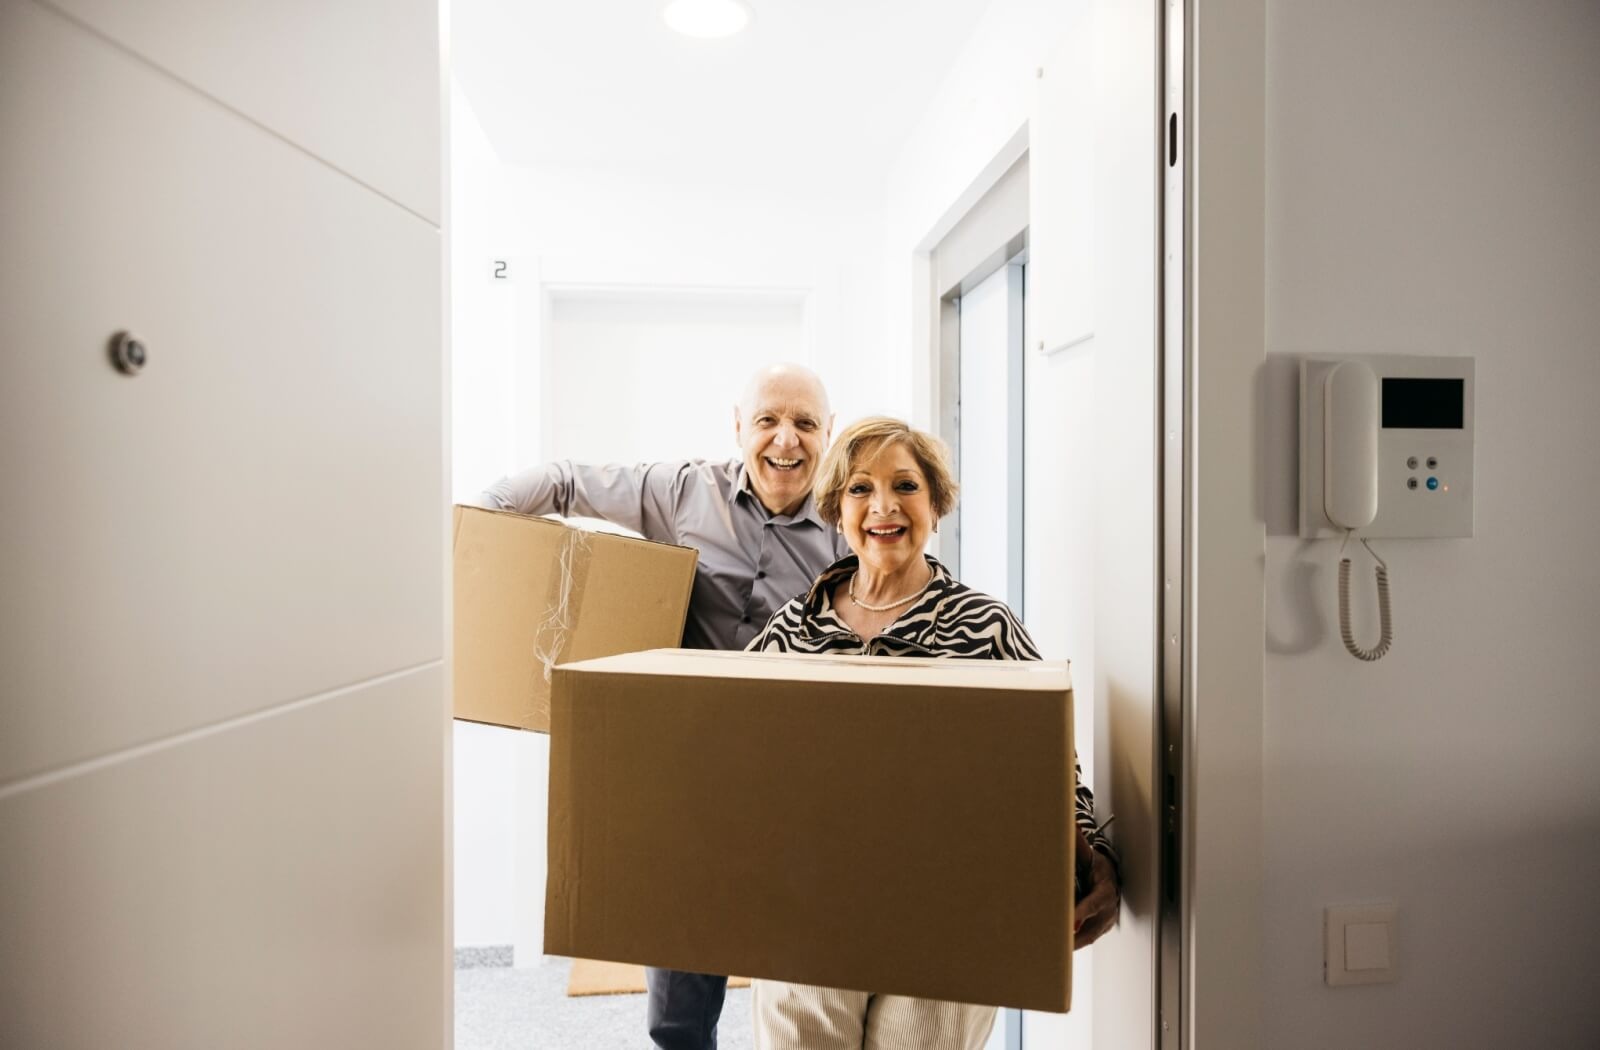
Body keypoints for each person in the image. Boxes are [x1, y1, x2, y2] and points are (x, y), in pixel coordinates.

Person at [470, 362, 849, 1050]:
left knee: (807, 998)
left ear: (830, 433)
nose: (785, 440)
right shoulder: (683, 492)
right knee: (678, 1001)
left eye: (804, 423)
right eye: (767, 420)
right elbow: (565, 480)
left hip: (796, 779)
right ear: (739, 427)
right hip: (686, 775)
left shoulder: (849, 524)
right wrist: (481, 522)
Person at [745, 416, 1120, 1050]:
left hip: (954, 911)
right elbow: (734, 758)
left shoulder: (985, 627)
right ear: (838, 509)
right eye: (861, 489)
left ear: (936, 505)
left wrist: (1093, 854)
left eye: (906, 486)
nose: (883, 506)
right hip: (814, 906)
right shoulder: (790, 631)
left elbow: (1053, 767)